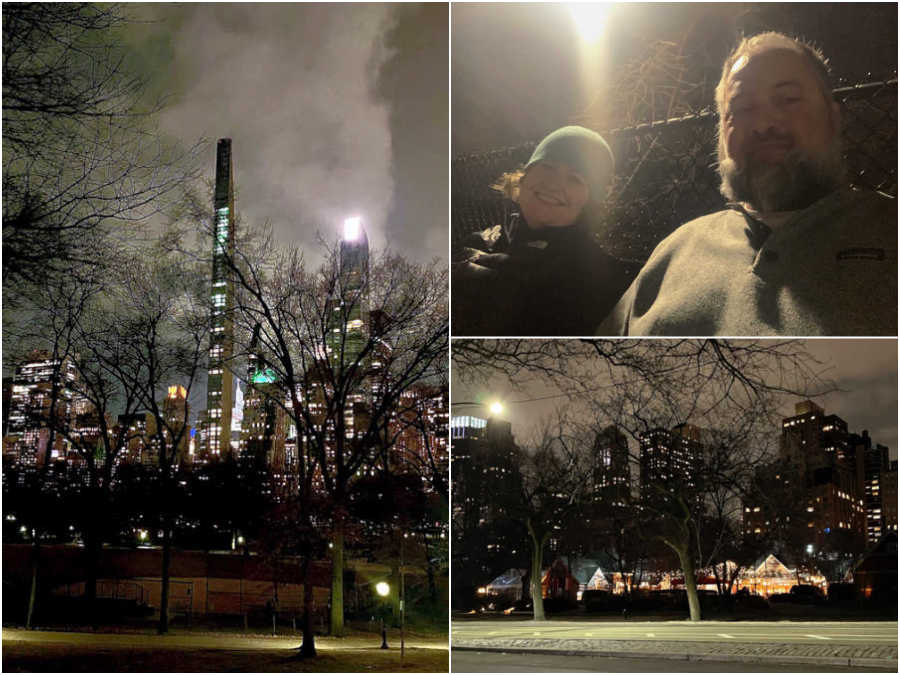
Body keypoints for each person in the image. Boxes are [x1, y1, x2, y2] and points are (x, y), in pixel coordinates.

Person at [598, 32, 897, 336]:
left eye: (788, 99)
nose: (764, 123)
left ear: (834, 117)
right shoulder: (672, 252)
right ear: (720, 135)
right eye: (742, 108)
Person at [453, 125, 637, 336]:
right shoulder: (476, 245)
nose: (555, 184)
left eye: (575, 179)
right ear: (523, 178)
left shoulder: (604, 283)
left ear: (589, 202)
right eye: (548, 167)